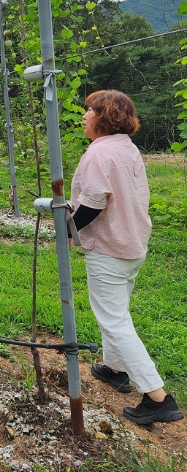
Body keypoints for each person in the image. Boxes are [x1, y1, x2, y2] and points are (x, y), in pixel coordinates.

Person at [70, 90, 183, 425]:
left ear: (104, 117)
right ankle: (114, 368)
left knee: (114, 321)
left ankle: (157, 398)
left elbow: (94, 201)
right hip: (131, 244)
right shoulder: (126, 147)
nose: (84, 116)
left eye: (89, 111)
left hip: (109, 248)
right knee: (116, 310)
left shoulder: (98, 153)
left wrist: (67, 231)